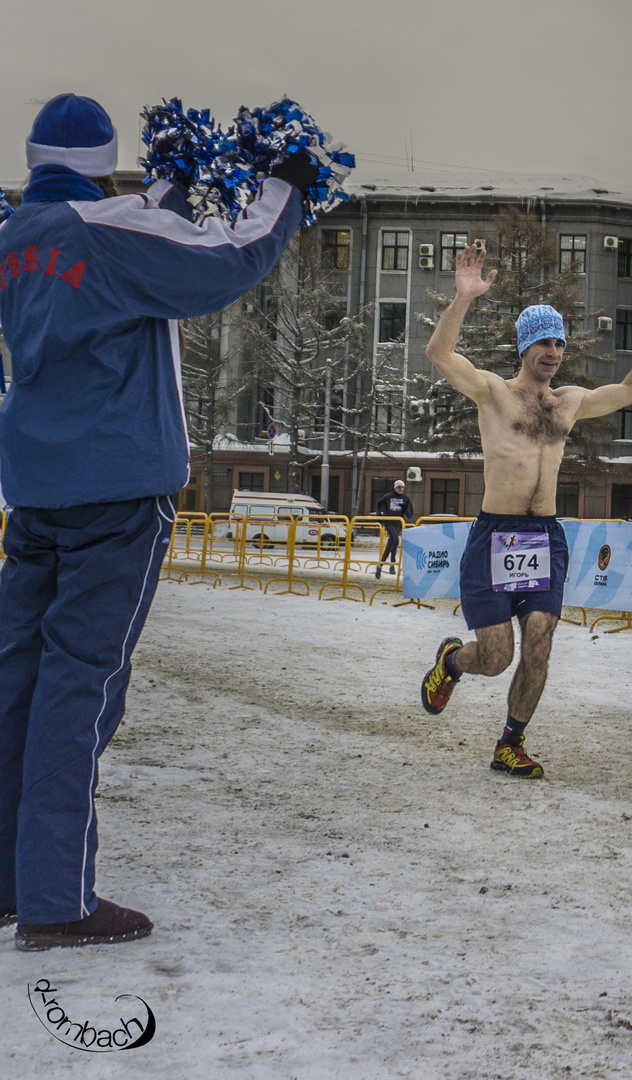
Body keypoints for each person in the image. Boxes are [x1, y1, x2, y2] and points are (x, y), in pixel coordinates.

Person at [0, 94, 313, 948]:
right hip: (117, 489)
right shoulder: (106, 237)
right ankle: (57, 900)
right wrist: (287, 184)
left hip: (34, 491)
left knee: (19, 682)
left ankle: (10, 877)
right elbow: (228, 257)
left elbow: (126, 246)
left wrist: (172, 186)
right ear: (108, 167)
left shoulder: (18, 237)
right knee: (80, 684)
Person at [418, 246, 632, 779]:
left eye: (559, 341)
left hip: (542, 538)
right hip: (495, 537)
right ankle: (451, 662)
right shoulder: (494, 393)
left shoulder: (569, 402)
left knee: (539, 643)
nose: (554, 350)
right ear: (524, 346)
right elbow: (441, 354)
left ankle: (510, 743)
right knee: (496, 657)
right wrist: (463, 299)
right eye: (543, 341)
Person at [374, 479, 416, 577]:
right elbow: (378, 505)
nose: (401, 489)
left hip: (398, 523)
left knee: (390, 544)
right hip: (389, 522)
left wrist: (405, 507)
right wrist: (379, 515)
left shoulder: (405, 499)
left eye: (402, 487)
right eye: (399, 487)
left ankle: (380, 566)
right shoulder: (388, 497)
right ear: (395, 488)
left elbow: (409, 515)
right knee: (396, 540)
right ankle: (392, 564)